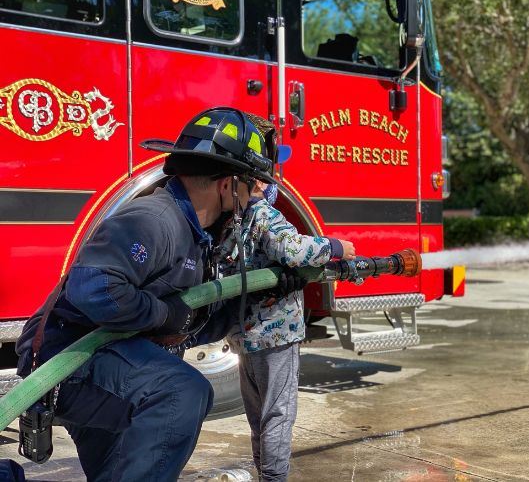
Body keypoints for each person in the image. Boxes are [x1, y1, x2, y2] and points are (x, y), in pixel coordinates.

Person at [18, 108, 278, 480]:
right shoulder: (156, 220)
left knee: (117, 471)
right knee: (180, 392)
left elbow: (185, 320)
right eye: (250, 184)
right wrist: (161, 313)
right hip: (70, 360)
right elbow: (95, 288)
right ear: (226, 185)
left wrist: (252, 298)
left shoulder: (194, 234)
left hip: (113, 361)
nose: (254, 196)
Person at [232, 171, 358, 481]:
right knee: (278, 414)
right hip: (275, 333)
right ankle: (274, 478)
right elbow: (293, 249)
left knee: (259, 416)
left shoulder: (235, 218)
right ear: (258, 182)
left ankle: (265, 472)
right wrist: (336, 247)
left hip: (244, 334)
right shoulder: (264, 213)